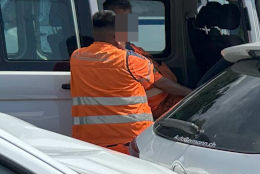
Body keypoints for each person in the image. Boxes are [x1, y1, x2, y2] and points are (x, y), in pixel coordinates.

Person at [69, 11, 186, 154]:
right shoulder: (134, 61)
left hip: (89, 142)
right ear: (118, 38)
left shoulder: (76, 57)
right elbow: (159, 81)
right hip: (130, 142)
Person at [102, 0, 190, 117]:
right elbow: (161, 83)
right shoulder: (121, 55)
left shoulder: (133, 48)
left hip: (167, 100)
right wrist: (192, 94)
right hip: (155, 108)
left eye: (129, 19)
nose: (127, 25)